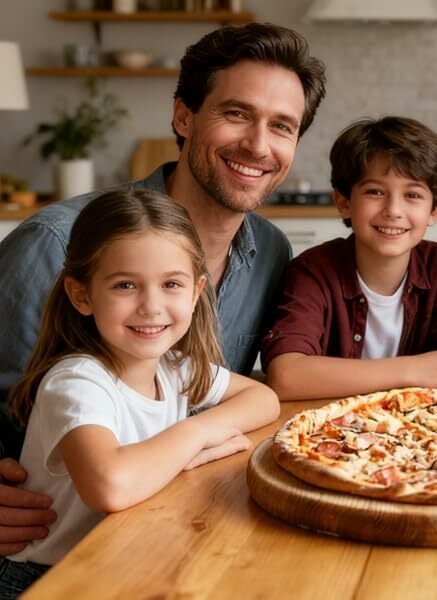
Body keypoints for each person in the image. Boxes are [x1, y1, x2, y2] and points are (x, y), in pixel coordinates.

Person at [0, 22, 324, 555]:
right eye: (237, 113)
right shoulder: (55, 244)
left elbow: (228, 394)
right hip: (49, 543)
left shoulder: (271, 251)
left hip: (177, 524)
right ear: (183, 116)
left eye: (282, 126)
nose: (258, 145)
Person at [0, 190, 279, 597]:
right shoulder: (77, 380)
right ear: (81, 295)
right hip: (48, 576)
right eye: (126, 285)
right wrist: (195, 437)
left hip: (124, 554)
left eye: (171, 284)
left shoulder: (174, 366)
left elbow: (263, 399)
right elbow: (110, 486)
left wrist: (199, 433)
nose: (152, 306)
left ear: (196, 290)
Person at [261, 116, 437, 400]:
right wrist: (411, 370)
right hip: (328, 429)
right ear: (344, 202)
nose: (393, 210)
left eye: (413, 194)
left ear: (434, 211)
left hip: (419, 429)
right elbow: (285, 376)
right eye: (375, 192)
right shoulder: (312, 271)